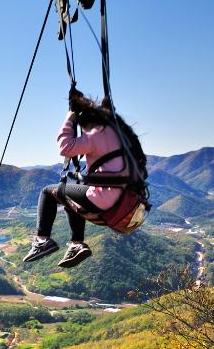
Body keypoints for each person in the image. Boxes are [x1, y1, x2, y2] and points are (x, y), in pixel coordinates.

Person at [23, 88, 144, 268]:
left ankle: (42, 240)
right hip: (125, 199)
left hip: (105, 200)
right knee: (70, 195)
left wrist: (70, 116)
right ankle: (76, 244)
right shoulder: (122, 136)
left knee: (48, 192)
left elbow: (65, 147)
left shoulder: (97, 134)